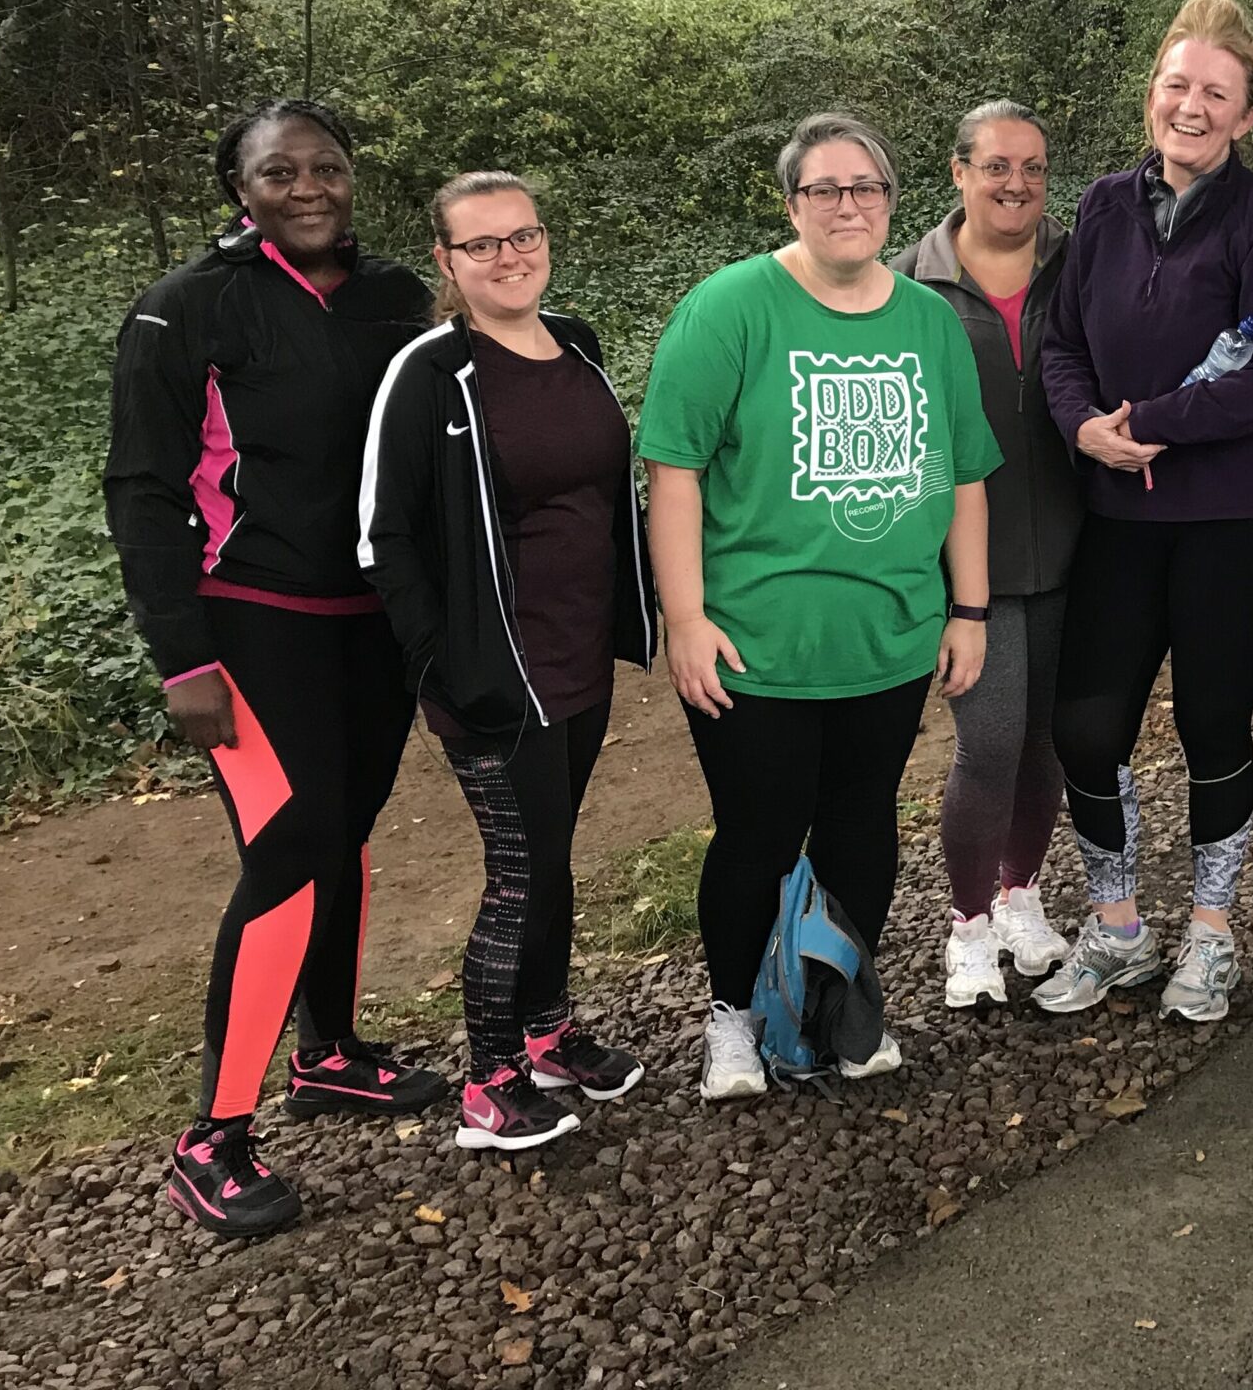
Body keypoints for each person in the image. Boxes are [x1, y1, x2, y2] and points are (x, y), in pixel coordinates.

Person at [106, 99, 442, 1236]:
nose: (307, 188)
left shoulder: (401, 299)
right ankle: (213, 1138)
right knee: (290, 850)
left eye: (328, 167)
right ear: (236, 189)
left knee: (341, 832)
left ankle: (331, 1053)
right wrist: (180, 658)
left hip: (372, 625)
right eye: (278, 171)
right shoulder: (185, 309)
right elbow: (142, 493)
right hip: (247, 628)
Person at [638, 113, 1000, 1100]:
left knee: (860, 829)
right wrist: (687, 621)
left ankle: (837, 1003)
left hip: (887, 639)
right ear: (791, 202)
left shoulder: (930, 323)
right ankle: (731, 1017)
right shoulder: (728, 310)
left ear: (892, 199)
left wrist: (968, 611)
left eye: (867, 186)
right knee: (758, 832)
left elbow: (966, 477)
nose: (848, 204)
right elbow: (673, 472)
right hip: (755, 643)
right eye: (824, 188)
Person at [1033, 0, 1253, 1023]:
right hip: (1119, 510)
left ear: (1244, 116)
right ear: (1152, 92)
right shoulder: (1104, 207)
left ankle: (1209, 930)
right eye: (1176, 85)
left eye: (1215, 93)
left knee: (1209, 715)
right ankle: (1116, 927)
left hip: (1240, 514)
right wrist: (1084, 429)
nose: (1189, 107)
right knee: (1085, 722)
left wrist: (1147, 418)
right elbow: (1061, 344)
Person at [360, 172, 655, 1151]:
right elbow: (382, 536)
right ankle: (488, 1085)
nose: (508, 255)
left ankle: (549, 1034)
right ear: (445, 262)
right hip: (491, 670)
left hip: (578, 652)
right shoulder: (430, 372)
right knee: (520, 869)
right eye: (480, 245)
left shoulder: (575, 344)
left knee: (553, 856)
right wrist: (438, 661)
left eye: (522, 235)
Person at [888, 101, 1080, 1006]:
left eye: (1034, 168)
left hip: (1075, 546)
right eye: (998, 166)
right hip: (967, 564)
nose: (1017, 184)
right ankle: (967, 923)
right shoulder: (904, 286)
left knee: (1048, 743)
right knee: (991, 741)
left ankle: (1022, 897)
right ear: (959, 172)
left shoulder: (1078, 266)